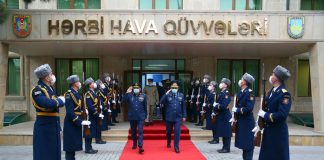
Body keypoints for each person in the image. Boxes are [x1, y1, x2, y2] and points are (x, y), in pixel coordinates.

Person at [256, 65, 291, 160]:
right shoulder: (271, 91)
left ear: (277, 78)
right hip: (268, 131)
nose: (271, 76)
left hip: (277, 133)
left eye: (273, 74)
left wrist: (265, 115)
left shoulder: (284, 94)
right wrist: (260, 122)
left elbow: (282, 115)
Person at [31, 64, 65, 160]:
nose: (52, 75)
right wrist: (60, 101)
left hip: (53, 126)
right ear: (46, 77)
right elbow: (46, 103)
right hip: (44, 127)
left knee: (54, 153)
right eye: (51, 74)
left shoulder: (50, 89)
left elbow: (54, 104)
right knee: (44, 154)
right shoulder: (37, 90)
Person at [63, 75, 91, 160]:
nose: (80, 83)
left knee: (74, 146)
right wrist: (79, 121)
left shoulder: (76, 93)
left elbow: (79, 107)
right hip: (71, 123)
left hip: (75, 123)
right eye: (78, 82)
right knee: (70, 147)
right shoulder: (69, 94)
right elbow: (70, 111)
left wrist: (84, 111)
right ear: (75, 83)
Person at [232, 73, 256, 160]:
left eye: (242, 79)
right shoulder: (241, 92)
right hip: (241, 121)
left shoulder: (250, 93)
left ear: (245, 82)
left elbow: (249, 108)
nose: (240, 81)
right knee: (244, 146)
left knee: (248, 146)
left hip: (247, 122)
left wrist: (237, 110)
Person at [160, 80, 187, 153]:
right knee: (168, 132)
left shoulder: (181, 95)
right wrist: (166, 94)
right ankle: (168, 142)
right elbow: (161, 102)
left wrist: (184, 115)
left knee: (177, 132)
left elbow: (183, 106)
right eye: (173, 87)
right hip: (169, 117)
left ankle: (176, 147)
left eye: (176, 87)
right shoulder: (168, 95)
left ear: (178, 88)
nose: (174, 89)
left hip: (178, 117)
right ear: (171, 88)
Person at [122, 83, 147, 154]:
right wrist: (127, 92)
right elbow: (123, 101)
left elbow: (145, 106)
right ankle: (134, 143)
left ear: (140, 89)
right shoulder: (129, 95)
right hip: (132, 116)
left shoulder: (143, 96)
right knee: (133, 132)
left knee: (140, 131)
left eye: (137, 88)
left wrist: (145, 116)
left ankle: (140, 146)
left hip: (140, 117)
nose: (136, 89)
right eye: (135, 88)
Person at [84, 78, 103, 154]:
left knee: (91, 132)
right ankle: (87, 148)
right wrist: (97, 114)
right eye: (93, 82)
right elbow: (90, 106)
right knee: (88, 132)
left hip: (94, 115)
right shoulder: (88, 94)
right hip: (90, 116)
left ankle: (90, 147)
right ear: (90, 85)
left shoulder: (93, 93)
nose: (94, 83)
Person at [213, 78, 232, 153]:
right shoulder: (221, 93)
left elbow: (224, 105)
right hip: (221, 115)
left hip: (225, 115)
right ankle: (224, 147)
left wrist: (217, 105)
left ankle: (227, 148)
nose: (220, 83)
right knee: (224, 132)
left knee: (226, 133)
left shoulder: (226, 93)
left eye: (222, 82)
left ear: (226, 85)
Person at [94, 80, 107, 144]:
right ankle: (98, 139)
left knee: (100, 125)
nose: (103, 84)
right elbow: (99, 100)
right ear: (99, 85)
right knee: (98, 125)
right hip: (99, 109)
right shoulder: (98, 92)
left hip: (101, 109)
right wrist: (102, 106)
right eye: (101, 83)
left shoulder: (101, 91)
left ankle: (99, 138)